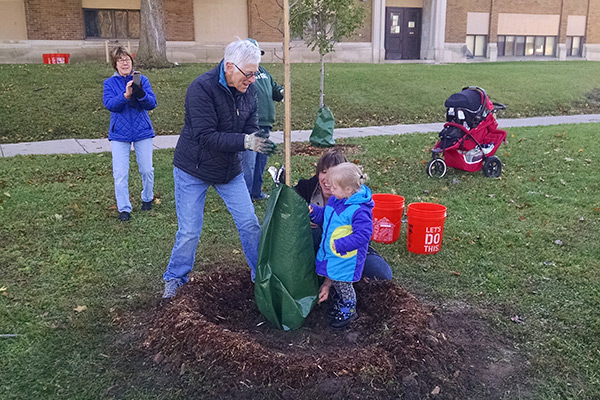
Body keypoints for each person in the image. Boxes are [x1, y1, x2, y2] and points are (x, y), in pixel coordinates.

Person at [161, 39, 276, 299]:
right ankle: (175, 278)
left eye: (255, 72)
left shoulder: (250, 90)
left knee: (249, 224)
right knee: (189, 231)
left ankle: (263, 277)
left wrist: (256, 139)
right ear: (229, 66)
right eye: (248, 73)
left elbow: (251, 124)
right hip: (194, 168)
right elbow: (205, 136)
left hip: (228, 172)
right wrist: (245, 141)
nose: (252, 78)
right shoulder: (201, 88)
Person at [295, 149, 393, 280]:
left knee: (381, 273)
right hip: (317, 247)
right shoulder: (306, 188)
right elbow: (319, 214)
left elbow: (363, 234)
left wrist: (342, 245)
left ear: (347, 184)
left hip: (345, 249)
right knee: (315, 233)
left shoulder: (356, 204)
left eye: (334, 174)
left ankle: (345, 286)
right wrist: (310, 212)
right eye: (324, 172)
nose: (328, 180)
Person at [309, 162, 373, 329]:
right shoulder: (335, 201)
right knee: (337, 281)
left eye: (334, 187)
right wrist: (314, 212)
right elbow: (325, 216)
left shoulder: (359, 210)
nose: (330, 190)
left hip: (345, 257)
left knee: (344, 284)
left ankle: (349, 309)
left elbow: (364, 234)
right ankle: (340, 304)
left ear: (349, 190)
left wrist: (342, 244)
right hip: (334, 255)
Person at [103, 46, 157, 221]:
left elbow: (152, 103)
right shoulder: (109, 83)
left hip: (142, 131)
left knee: (147, 169)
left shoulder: (142, 79)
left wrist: (140, 94)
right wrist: (125, 95)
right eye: (120, 60)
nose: (124, 63)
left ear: (132, 61)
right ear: (115, 64)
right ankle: (124, 208)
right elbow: (110, 104)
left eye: (127, 59)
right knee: (120, 173)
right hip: (119, 134)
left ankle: (147, 198)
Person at [241, 39, 284, 201]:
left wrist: (282, 91)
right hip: (251, 124)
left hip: (266, 124)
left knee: (260, 161)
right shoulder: (243, 72)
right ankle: (244, 196)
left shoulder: (263, 71)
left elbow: (274, 90)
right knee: (249, 162)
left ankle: (256, 192)